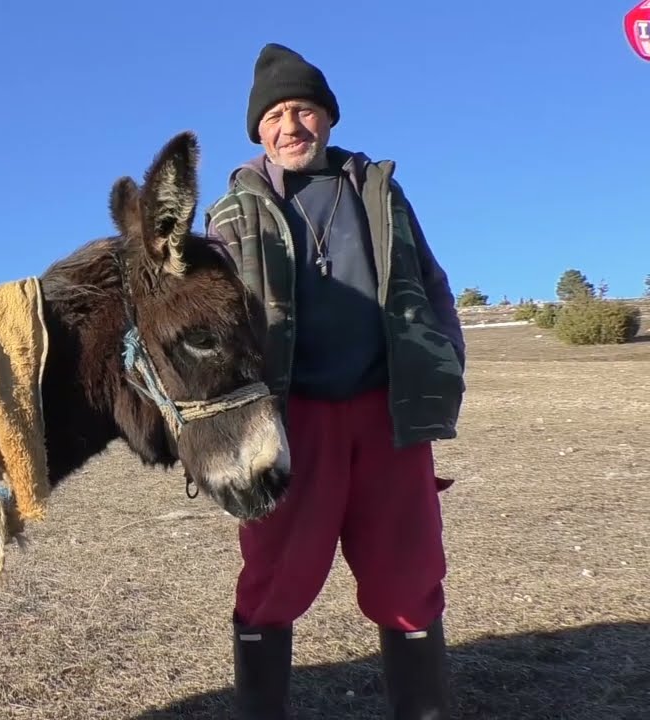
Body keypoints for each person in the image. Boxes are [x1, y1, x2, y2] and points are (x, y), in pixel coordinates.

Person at [203, 43, 466, 719]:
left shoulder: (379, 192)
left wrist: (446, 362)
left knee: (408, 571)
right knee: (273, 574)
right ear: (259, 130)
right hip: (291, 422)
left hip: (386, 412)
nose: (291, 125)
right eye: (277, 115)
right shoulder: (232, 213)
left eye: (305, 110)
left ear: (327, 119)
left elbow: (430, 285)